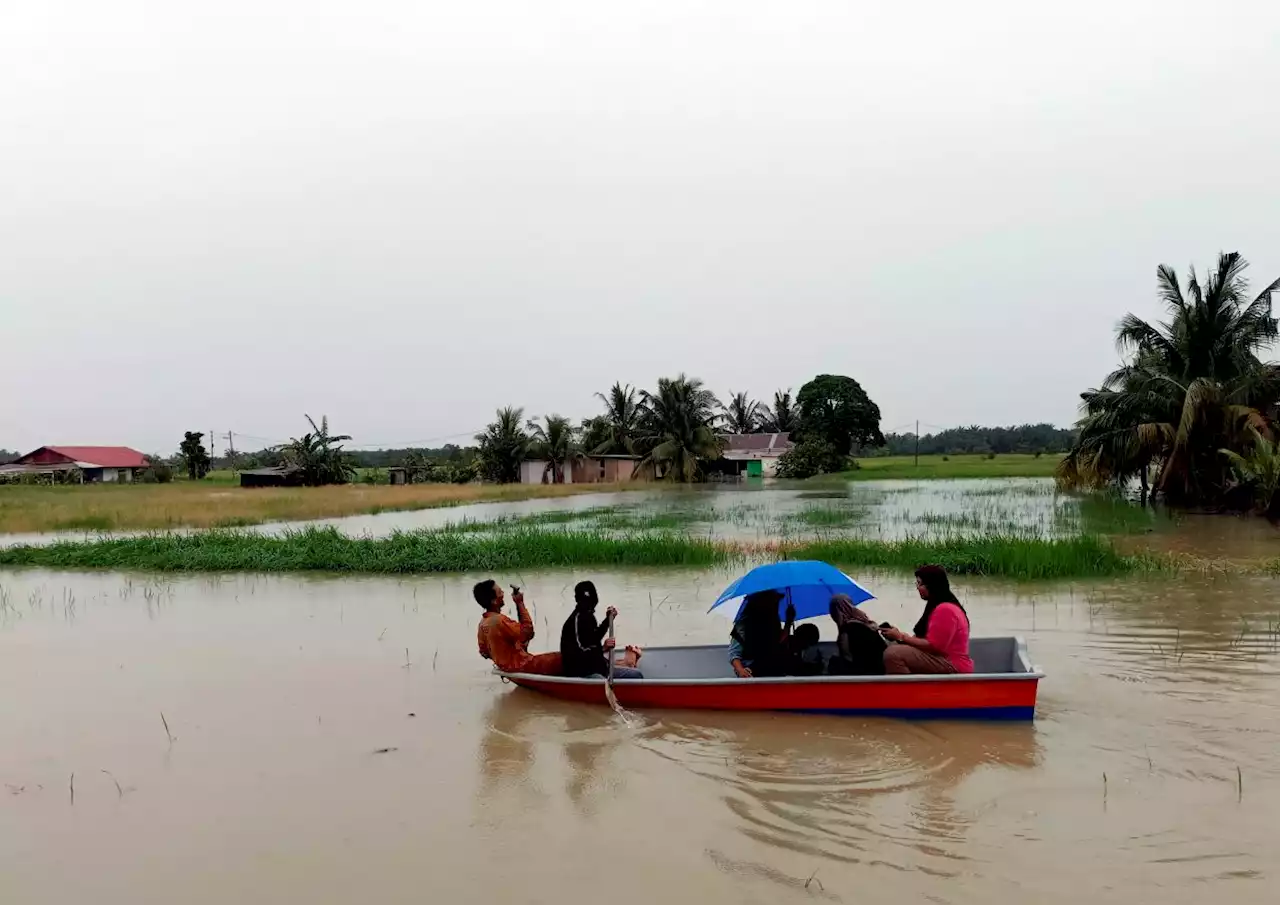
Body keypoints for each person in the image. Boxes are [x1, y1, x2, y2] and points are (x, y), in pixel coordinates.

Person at [881, 565, 973, 675]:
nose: (917, 587)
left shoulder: (945, 609)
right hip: (939, 659)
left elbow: (934, 646)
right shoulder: (935, 605)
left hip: (952, 664)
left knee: (893, 654)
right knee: (895, 648)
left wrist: (901, 637)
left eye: (920, 584)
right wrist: (898, 635)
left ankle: (907, 691)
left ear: (931, 585)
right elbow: (922, 639)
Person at [474, 580, 562, 675]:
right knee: (565, 657)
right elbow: (528, 632)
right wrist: (519, 603)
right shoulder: (499, 620)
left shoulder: (483, 623)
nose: (503, 594)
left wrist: (509, 652)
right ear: (494, 601)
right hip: (522, 665)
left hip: (508, 666)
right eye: (500, 592)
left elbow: (484, 652)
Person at [559, 580, 644, 679]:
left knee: (636, 675)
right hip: (581, 673)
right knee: (601, 681)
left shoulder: (589, 617)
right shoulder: (575, 620)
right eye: (585, 601)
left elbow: (593, 638)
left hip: (599, 668)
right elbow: (578, 654)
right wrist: (602, 648)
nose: (588, 604)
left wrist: (608, 620)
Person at [729, 589, 795, 678]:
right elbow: (734, 654)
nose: (775, 605)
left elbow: (778, 641)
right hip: (752, 671)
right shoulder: (744, 625)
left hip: (773, 668)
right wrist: (741, 670)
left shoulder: (773, 622)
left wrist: (789, 620)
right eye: (772, 602)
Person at [826, 593, 887, 675]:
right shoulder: (864, 623)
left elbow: (849, 657)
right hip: (880, 669)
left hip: (865, 673)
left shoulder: (847, 630)